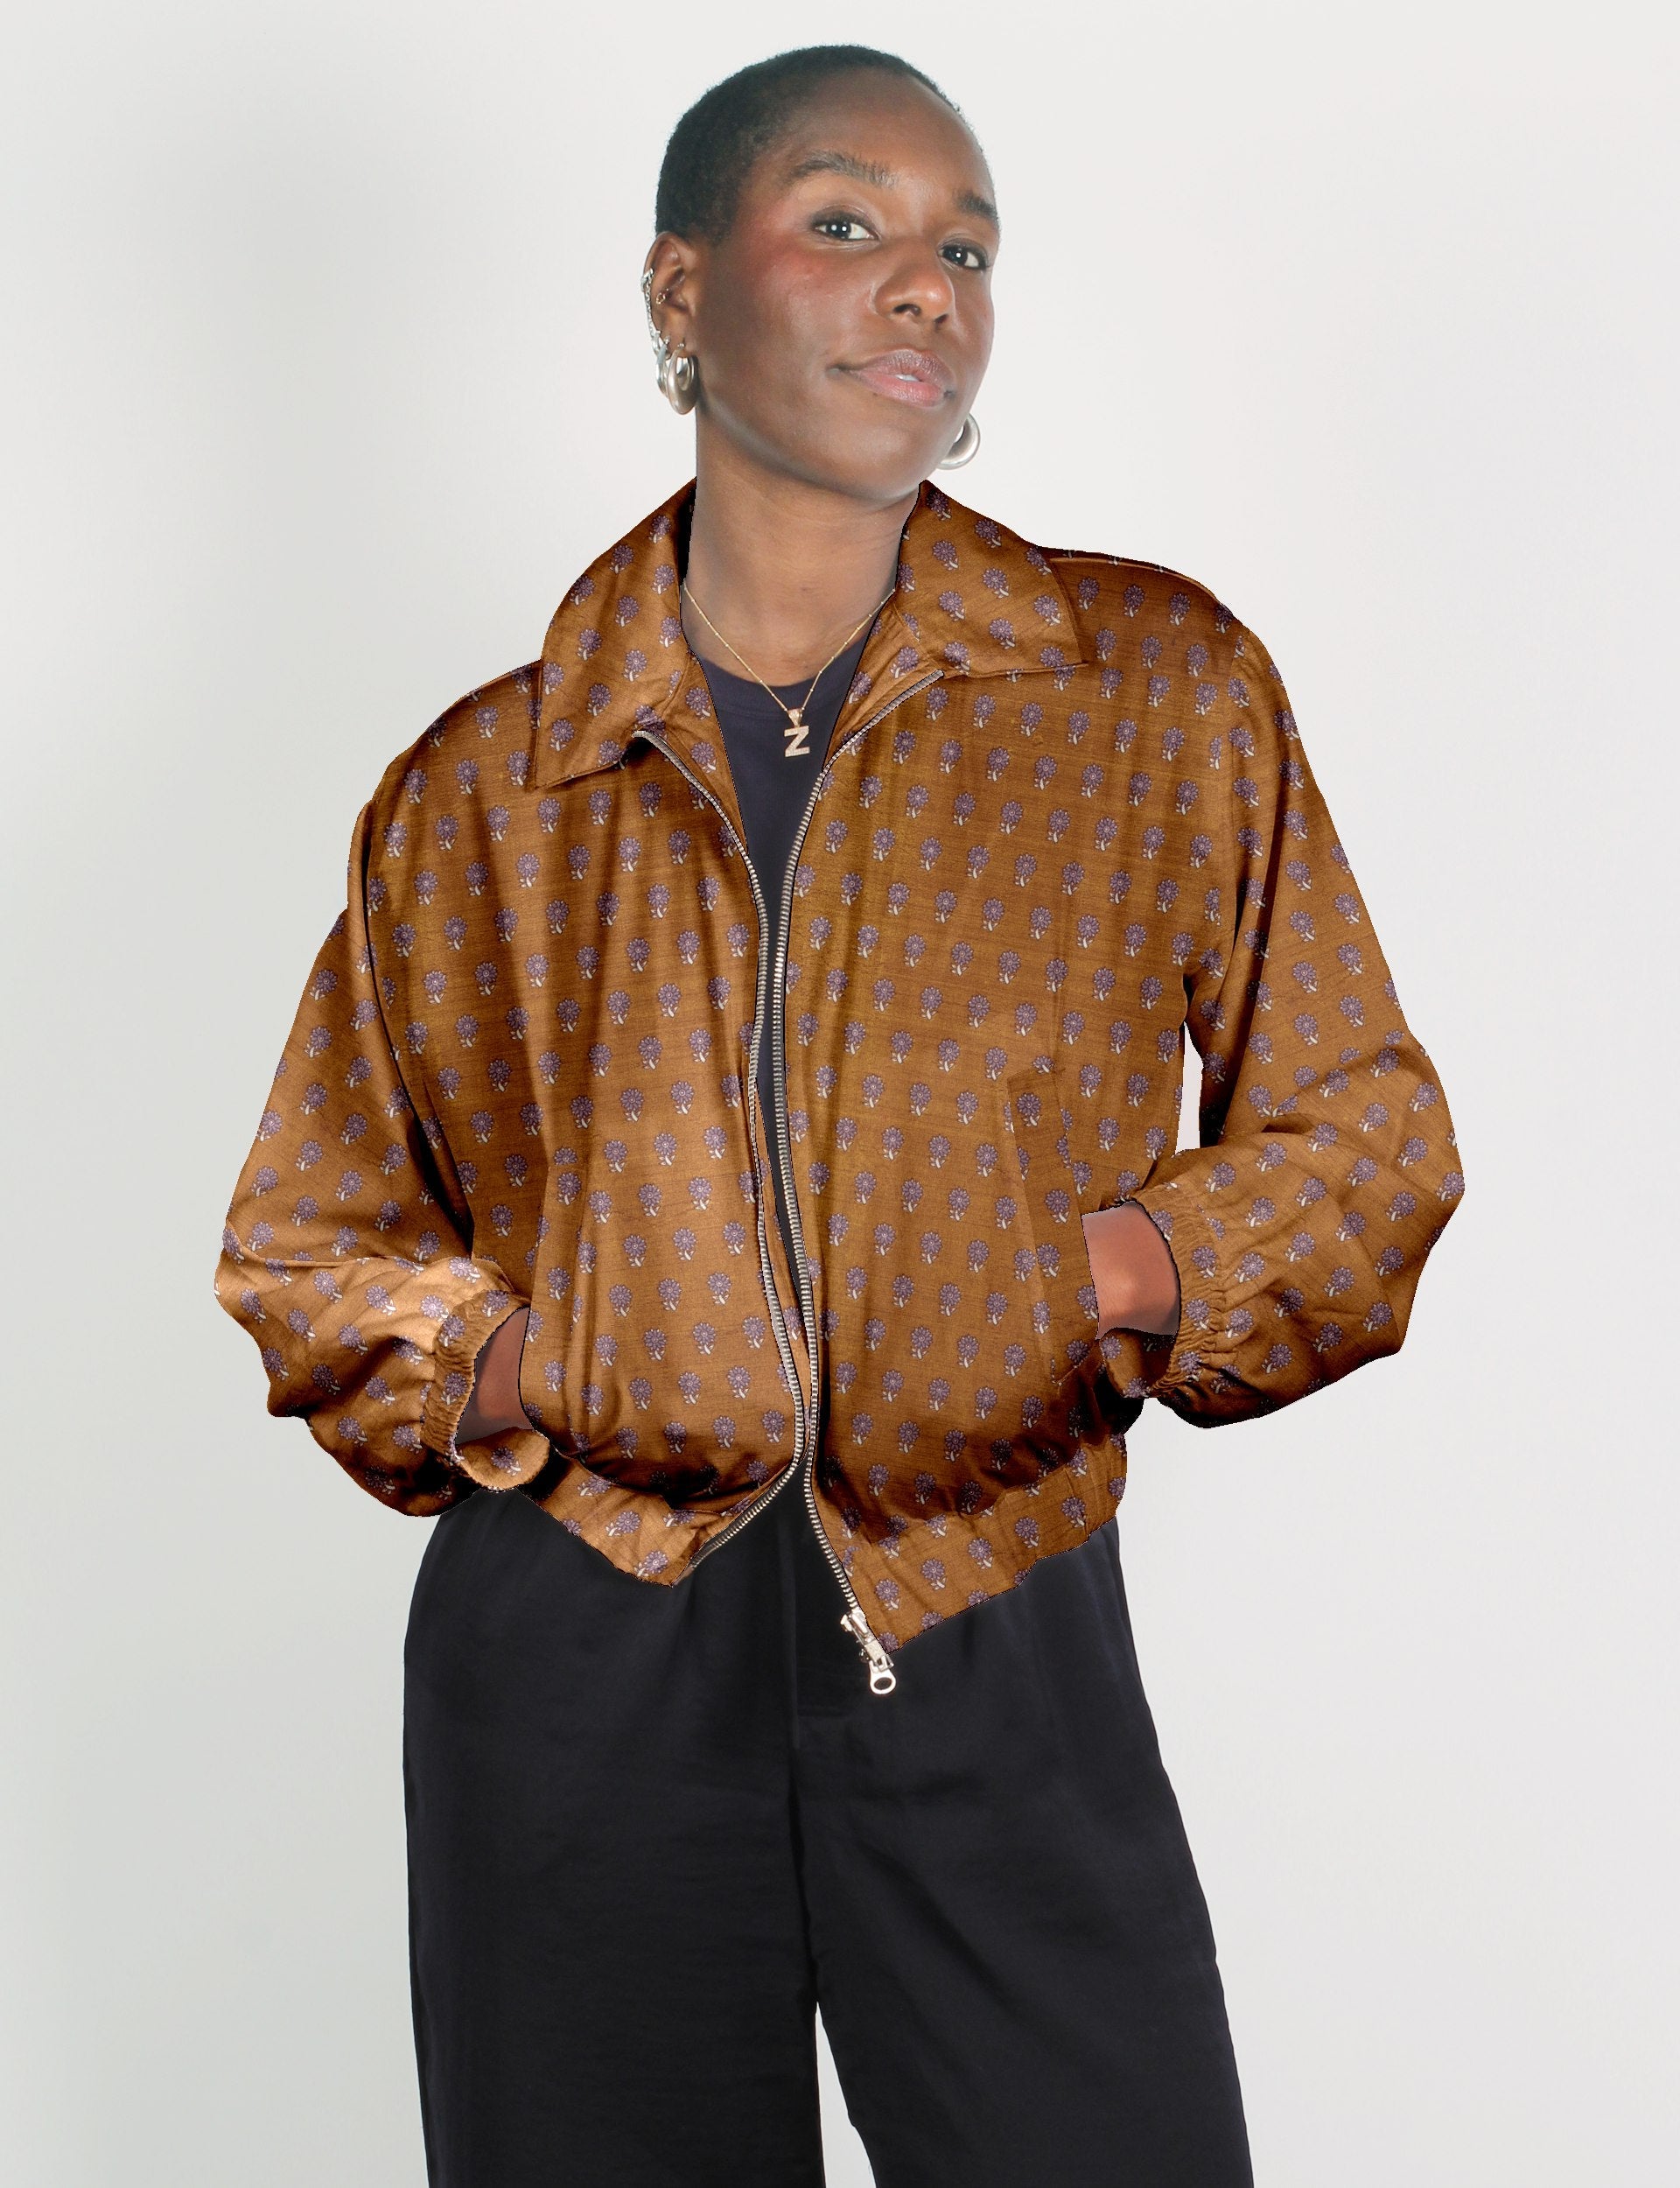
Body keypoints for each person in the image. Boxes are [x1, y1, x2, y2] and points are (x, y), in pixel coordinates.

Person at [215, 44, 1464, 2187]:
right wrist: (525, 1360)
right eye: (848, 223)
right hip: (582, 1662)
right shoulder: (490, 785)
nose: (926, 288)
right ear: (680, 292)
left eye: (967, 247)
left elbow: (1365, 1139)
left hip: (991, 1616)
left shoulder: (1147, 691)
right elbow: (306, 1240)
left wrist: (1094, 1274)